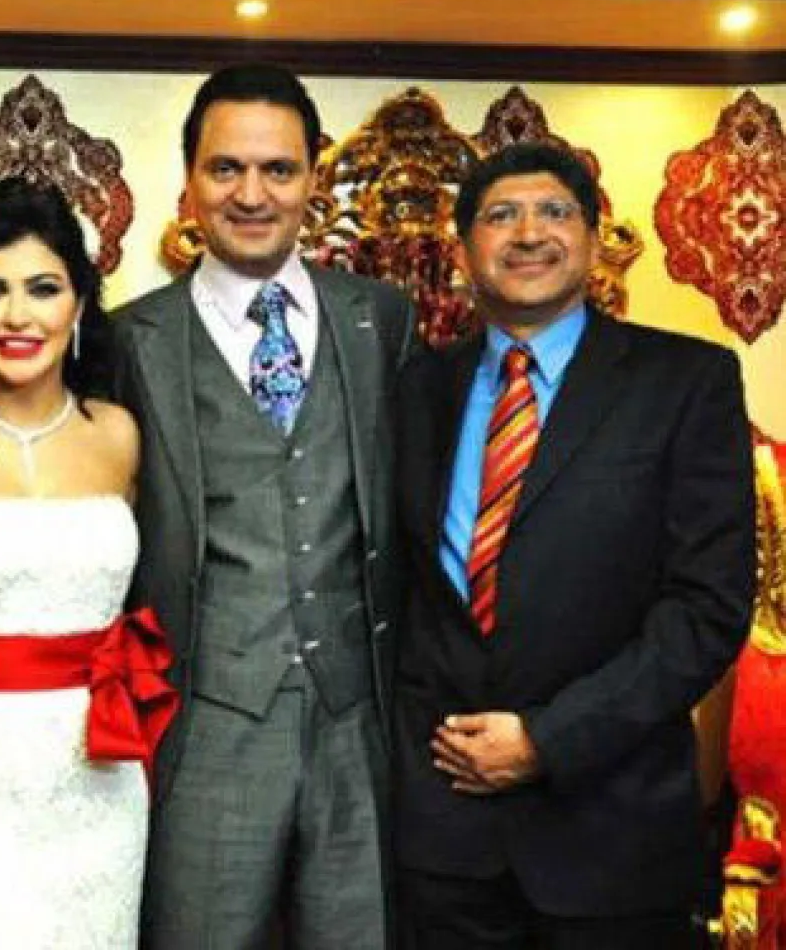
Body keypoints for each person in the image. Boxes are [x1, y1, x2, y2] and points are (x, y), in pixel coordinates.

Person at [392, 142, 756, 949]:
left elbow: (707, 608)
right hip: (444, 840)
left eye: (555, 212)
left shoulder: (685, 382)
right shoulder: (417, 389)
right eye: (501, 216)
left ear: (593, 242)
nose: (529, 233)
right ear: (464, 251)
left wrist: (547, 741)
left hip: (612, 832)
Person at [110, 64, 415, 949]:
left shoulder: (380, 320)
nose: (252, 194)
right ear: (189, 180)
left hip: (358, 719)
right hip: (208, 720)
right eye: (226, 168)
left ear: (314, 178)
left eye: (278, 169)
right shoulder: (131, 339)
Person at [0, 176, 177, 948]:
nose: (17, 315)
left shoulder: (121, 433)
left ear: (79, 305)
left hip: (100, 777)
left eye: (43, 289)